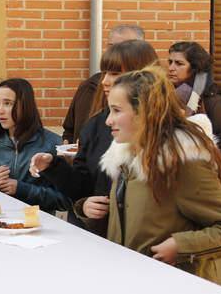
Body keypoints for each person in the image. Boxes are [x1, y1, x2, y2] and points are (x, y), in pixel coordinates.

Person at [75, 66, 221, 281]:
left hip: (174, 293)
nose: (108, 121)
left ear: (144, 112)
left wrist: (182, 246)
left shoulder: (182, 163)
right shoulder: (124, 158)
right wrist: (92, 210)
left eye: (117, 110)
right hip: (132, 285)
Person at [31, 40, 158, 230]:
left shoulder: (170, 135)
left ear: (141, 77)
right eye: (104, 72)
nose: (105, 81)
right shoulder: (96, 124)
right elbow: (84, 186)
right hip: (105, 239)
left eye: (115, 74)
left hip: (150, 249)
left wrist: (177, 245)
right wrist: (54, 167)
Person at [0, 78, 66, 214]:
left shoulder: (52, 143)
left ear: (25, 105)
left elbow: (64, 200)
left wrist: (23, 189)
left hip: (36, 225)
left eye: (7, 103)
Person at [167, 41, 221, 175]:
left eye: (179, 63)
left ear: (195, 68)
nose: (171, 68)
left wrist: (209, 174)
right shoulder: (169, 96)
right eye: (170, 62)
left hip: (199, 180)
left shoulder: (213, 101)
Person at [62, 24, 145, 144]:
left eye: (124, 47)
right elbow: (70, 130)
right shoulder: (89, 86)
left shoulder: (154, 98)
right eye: (111, 46)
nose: (115, 52)